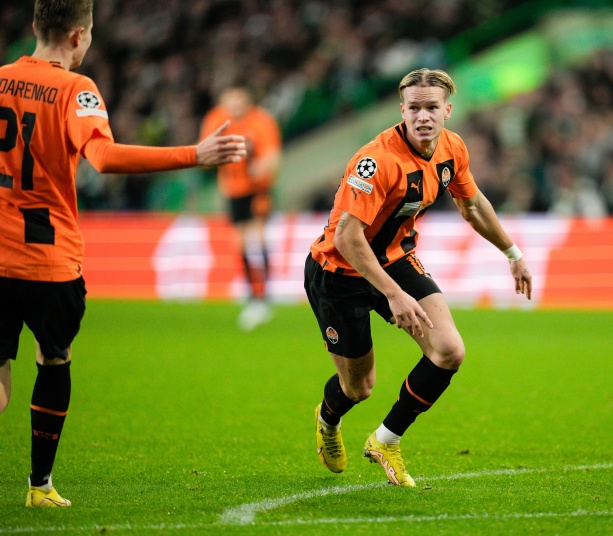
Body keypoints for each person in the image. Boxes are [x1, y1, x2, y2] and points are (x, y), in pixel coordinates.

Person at [0, 0, 246, 507]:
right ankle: (40, 487)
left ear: (35, 26)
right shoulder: (76, 89)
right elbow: (105, 158)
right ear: (78, 36)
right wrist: (194, 155)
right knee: (54, 358)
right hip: (48, 258)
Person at [304, 68, 532, 487]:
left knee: (449, 350)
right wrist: (394, 295)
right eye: (414, 108)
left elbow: (472, 205)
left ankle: (385, 440)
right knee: (359, 388)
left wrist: (512, 252)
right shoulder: (378, 161)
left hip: (395, 259)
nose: (423, 116)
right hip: (339, 271)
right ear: (402, 111)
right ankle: (328, 419)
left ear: (448, 110)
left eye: (431, 107)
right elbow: (347, 237)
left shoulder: (452, 148)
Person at [200, 84, 282, 331]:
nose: (234, 104)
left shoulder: (261, 121)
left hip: (257, 189)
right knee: (239, 243)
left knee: (258, 237)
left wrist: (261, 166)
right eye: (230, 99)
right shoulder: (216, 119)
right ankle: (252, 293)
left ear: (247, 100)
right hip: (233, 190)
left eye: (238, 98)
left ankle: (265, 295)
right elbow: (204, 155)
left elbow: (273, 157)